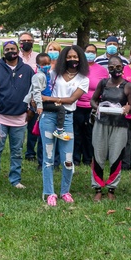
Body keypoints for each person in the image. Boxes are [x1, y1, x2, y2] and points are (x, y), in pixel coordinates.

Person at [39, 45, 89, 205]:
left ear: (80, 59)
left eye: (75, 57)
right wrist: (44, 99)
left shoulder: (83, 79)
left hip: (67, 119)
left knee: (67, 160)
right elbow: (40, 92)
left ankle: (65, 191)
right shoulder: (53, 74)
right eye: (69, 57)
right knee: (48, 158)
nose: (72, 60)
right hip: (48, 118)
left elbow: (71, 100)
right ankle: (49, 193)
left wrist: (49, 99)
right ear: (63, 58)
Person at [0, 40, 35, 191]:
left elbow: (34, 91)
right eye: (7, 49)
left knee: (17, 151)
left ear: (18, 51)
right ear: (3, 52)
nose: (10, 51)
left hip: (20, 119)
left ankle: (15, 179)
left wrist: (32, 108)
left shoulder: (27, 70)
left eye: (13, 48)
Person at [90, 55, 131, 201]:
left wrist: (128, 108)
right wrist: (99, 108)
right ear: (107, 69)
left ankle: (111, 188)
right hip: (101, 123)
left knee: (116, 156)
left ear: (123, 67)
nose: (115, 70)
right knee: (98, 154)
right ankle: (97, 187)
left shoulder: (128, 86)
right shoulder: (103, 83)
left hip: (119, 125)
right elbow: (93, 100)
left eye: (118, 67)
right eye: (111, 67)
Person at [73, 43, 108, 167]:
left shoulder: (102, 71)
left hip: (92, 107)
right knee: (76, 133)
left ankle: (88, 159)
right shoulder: (77, 68)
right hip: (77, 105)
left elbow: (105, 89)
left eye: (93, 51)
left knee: (89, 134)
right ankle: (75, 158)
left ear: (96, 54)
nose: (90, 54)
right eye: (88, 51)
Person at [18, 31, 40, 165]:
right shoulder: (15, 57)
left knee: (32, 127)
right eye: (23, 40)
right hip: (19, 97)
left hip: (34, 98)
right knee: (18, 127)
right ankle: (17, 151)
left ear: (33, 42)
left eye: (28, 40)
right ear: (19, 43)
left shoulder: (39, 57)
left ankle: (30, 152)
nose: (26, 43)